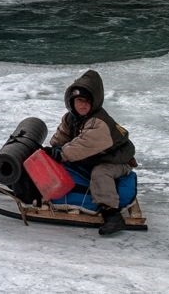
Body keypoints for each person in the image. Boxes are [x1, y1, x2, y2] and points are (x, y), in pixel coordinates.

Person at [45, 69, 136, 236]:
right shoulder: (71, 118)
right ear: (71, 101)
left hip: (117, 161)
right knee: (67, 163)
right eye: (79, 100)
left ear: (95, 102)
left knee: (100, 173)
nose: (83, 105)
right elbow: (60, 139)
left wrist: (62, 154)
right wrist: (51, 151)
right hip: (98, 157)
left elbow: (84, 145)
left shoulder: (99, 122)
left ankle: (112, 215)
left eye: (88, 101)